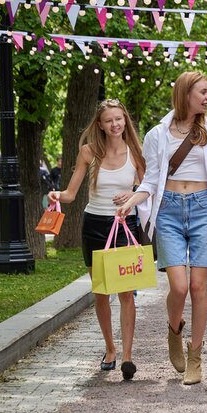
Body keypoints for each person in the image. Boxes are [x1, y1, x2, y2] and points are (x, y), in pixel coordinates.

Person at [119, 72, 207, 385]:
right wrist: (134, 199)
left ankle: (196, 357)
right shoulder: (157, 134)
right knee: (179, 287)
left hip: (204, 210)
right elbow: (150, 179)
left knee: (199, 287)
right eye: (203, 91)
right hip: (169, 211)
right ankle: (174, 331)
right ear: (186, 94)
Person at [48, 99, 145, 381]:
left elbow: (146, 188)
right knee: (101, 292)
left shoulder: (135, 153)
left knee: (126, 292)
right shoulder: (88, 152)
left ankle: (127, 356)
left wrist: (131, 195)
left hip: (125, 226)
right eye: (109, 120)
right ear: (100, 125)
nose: (115, 124)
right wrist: (58, 196)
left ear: (125, 120)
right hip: (95, 226)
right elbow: (71, 193)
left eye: (119, 118)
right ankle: (110, 349)